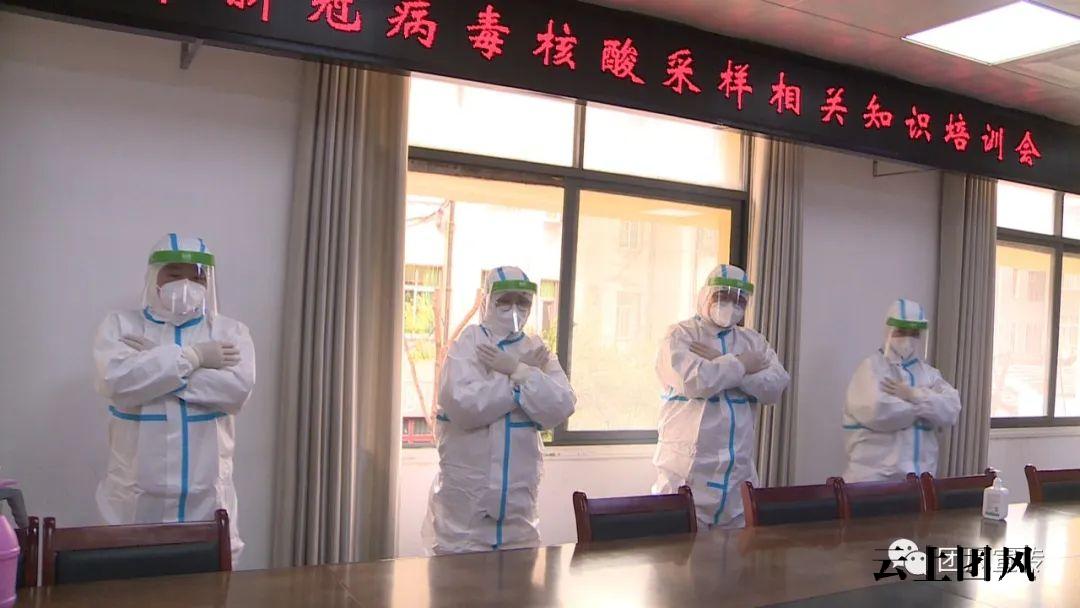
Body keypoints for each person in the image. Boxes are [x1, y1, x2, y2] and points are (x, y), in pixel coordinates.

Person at [93, 234, 254, 564]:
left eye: (197, 276)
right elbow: (117, 382)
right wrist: (194, 357)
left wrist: (158, 362)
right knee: (129, 578)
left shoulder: (230, 333)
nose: (186, 284)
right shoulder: (121, 326)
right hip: (135, 497)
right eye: (174, 273)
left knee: (207, 583)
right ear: (154, 276)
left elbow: (235, 390)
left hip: (207, 496)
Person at [423, 266, 576, 555]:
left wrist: (518, 369)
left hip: (519, 521)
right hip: (465, 523)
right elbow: (464, 406)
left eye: (522, 301)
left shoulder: (536, 348)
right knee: (458, 584)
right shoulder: (469, 344)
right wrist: (519, 383)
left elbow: (560, 406)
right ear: (488, 301)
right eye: (505, 300)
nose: (514, 309)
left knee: (520, 582)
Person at [653, 264, 790, 529]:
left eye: (739, 300)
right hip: (686, 474)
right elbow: (695, 381)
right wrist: (741, 364)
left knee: (738, 554)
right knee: (680, 553)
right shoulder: (680, 336)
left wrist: (725, 364)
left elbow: (775, 386)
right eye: (723, 297)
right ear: (706, 295)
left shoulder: (753, 342)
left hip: (736, 479)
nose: (731, 305)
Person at [843, 298, 961, 482]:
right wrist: (927, 406)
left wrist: (913, 394)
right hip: (872, 479)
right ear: (889, 330)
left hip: (921, 479)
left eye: (914, 333)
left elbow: (952, 409)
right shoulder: (871, 369)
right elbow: (879, 411)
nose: (908, 339)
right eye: (901, 331)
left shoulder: (929, 374)